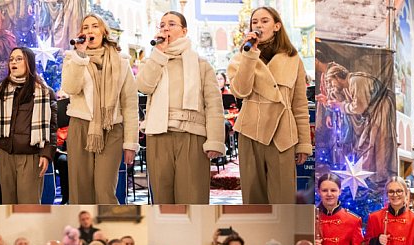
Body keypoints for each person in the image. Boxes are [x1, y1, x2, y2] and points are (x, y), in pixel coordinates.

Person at [136, 10, 225, 204]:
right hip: (158, 135)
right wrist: (158, 54)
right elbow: (143, 86)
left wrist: (215, 140)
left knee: (192, 196)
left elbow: (214, 106)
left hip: (191, 135)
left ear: (184, 31)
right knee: (161, 197)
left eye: (172, 24)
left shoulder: (202, 65)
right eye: (162, 25)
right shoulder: (152, 61)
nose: (166, 28)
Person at [227, 6, 312, 204]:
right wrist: (250, 54)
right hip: (251, 131)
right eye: (254, 22)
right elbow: (240, 91)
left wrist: (304, 143)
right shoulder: (242, 57)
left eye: (264, 21)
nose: (258, 25)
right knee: (253, 196)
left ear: (276, 26)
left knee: (283, 197)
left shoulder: (293, 59)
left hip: (283, 134)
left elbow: (299, 104)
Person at [61, 13, 138, 204]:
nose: (89, 31)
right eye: (85, 28)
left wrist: (130, 143)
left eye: (94, 26)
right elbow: (70, 88)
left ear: (103, 32)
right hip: (80, 126)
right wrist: (80, 56)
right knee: (80, 190)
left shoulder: (121, 62)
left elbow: (129, 104)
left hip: (111, 127)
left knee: (105, 190)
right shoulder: (72, 58)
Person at [0, 46, 57, 204]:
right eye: (11, 59)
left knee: (29, 204)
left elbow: (52, 128)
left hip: (30, 155)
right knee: (8, 202)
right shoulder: (1, 88)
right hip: (6, 154)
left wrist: (46, 154)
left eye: (19, 59)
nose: (14, 62)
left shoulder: (44, 92)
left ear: (29, 63)